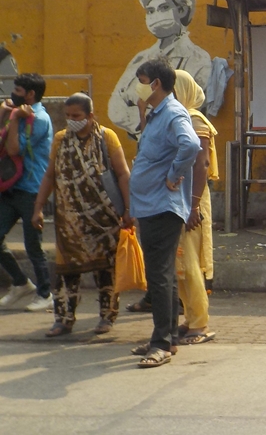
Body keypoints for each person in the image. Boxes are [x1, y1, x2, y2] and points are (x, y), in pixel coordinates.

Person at [30, 93, 131, 336]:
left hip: (103, 218)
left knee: (106, 269)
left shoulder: (107, 137)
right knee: (66, 272)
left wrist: (129, 210)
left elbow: (123, 174)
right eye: (67, 116)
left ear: (90, 115)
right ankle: (64, 319)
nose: (71, 120)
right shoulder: (61, 139)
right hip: (70, 220)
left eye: (76, 116)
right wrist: (38, 208)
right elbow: (50, 176)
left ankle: (107, 317)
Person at [128, 58, 200, 368]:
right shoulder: (155, 114)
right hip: (150, 205)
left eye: (141, 79)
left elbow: (191, 144)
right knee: (165, 275)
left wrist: (173, 175)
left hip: (162, 206)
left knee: (157, 275)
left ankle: (159, 343)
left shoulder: (172, 112)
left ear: (156, 83)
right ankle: (168, 337)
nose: (138, 85)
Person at [108, 0, 212, 138]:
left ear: (182, 10)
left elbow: (181, 105)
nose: (156, 15)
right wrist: (146, 117)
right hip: (145, 142)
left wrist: (142, 110)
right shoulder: (140, 58)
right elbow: (114, 108)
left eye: (164, 7)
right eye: (150, 11)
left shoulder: (197, 58)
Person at [0, 73, 54, 312]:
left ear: (31, 94)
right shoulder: (20, 114)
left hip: (32, 189)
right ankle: (21, 283)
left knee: (33, 246)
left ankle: (45, 294)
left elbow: (13, 147)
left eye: (19, 90)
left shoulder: (39, 118)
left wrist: (12, 116)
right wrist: (4, 114)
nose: (14, 94)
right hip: (11, 187)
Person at [173, 71, 217, 345]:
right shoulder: (175, 117)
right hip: (179, 197)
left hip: (192, 198)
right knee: (180, 264)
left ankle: (199, 324)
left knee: (190, 264)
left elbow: (202, 165)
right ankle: (189, 318)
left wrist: (194, 206)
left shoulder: (194, 119)